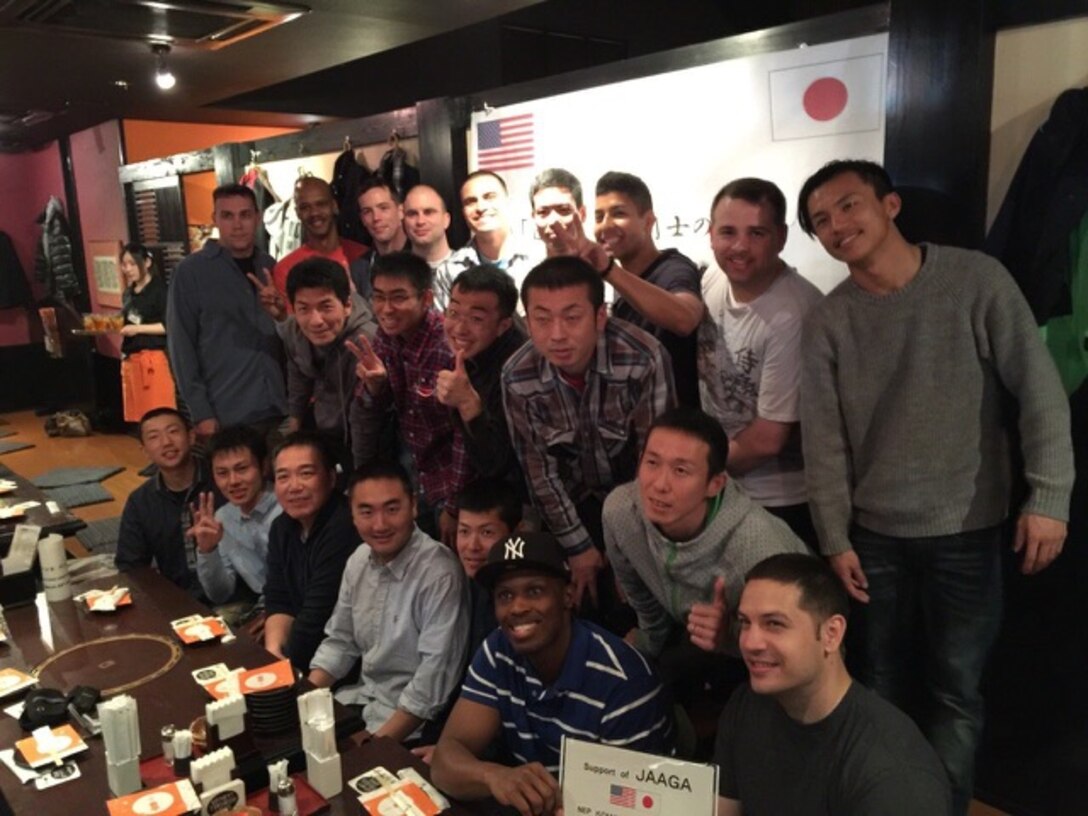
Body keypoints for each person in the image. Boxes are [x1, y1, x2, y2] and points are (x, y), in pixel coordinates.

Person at [797, 159, 1074, 814]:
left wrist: (1050, 498)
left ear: (889, 205)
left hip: (969, 530)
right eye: (820, 221)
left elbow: (1039, 393)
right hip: (873, 538)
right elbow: (824, 440)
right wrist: (834, 536)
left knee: (956, 692)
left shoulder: (974, 280)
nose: (837, 226)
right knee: (880, 683)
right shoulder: (830, 320)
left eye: (847, 206)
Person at [431, 532, 674, 816]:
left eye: (534, 591)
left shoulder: (623, 682)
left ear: (568, 596)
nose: (518, 607)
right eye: (505, 595)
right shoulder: (498, 649)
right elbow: (445, 759)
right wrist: (495, 776)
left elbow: (633, 805)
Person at [715, 553, 952, 816]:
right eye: (745, 622)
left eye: (774, 624)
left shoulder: (893, 776)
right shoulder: (747, 705)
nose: (750, 642)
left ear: (832, 634)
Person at [502, 256, 675, 611]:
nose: (557, 334)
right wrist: (578, 547)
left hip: (636, 503)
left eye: (572, 317)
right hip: (571, 506)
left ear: (600, 316)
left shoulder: (643, 358)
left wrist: (634, 552)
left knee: (640, 603)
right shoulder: (518, 376)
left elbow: (656, 462)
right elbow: (540, 474)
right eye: (542, 319)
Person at [603, 407, 808, 660]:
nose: (659, 485)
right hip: (687, 637)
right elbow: (641, 598)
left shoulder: (760, 546)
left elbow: (804, 646)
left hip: (756, 657)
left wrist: (731, 635)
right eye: (652, 462)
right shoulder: (621, 512)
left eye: (681, 470)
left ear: (715, 484)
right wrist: (649, 642)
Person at [697, 177, 822, 546]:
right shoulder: (712, 279)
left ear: (781, 237)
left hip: (780, 500)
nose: (739, 247)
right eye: (728, 232)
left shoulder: (794, 312)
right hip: (722, 485)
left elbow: (767, 440)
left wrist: (693, 469)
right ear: (710, 233)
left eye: (757, 233)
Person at [308, 461, 468, 742]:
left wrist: (375, 747)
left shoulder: (440, 572)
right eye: (366, 512)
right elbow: (340, 642)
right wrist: (301, 702)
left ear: (414, 506)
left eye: (392, 509)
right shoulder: (358, 560)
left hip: (410, 729)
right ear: (353, 515)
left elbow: (432, 684)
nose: (379, 524)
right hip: (359, 703)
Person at [348, 252, 472, 544]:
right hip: (407, 473)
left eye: (398, 297)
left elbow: (463, 434)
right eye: (378, 297)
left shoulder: (447, 346)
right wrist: (375, 388)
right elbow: (367, 413)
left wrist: (453, 506)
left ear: (426, 298)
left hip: (449, 480)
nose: (386, 308)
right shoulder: (383, 338)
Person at [166, 183, 286, 442]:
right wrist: (201, 412)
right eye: (227, 216)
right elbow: (181, 347)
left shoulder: (269, 266)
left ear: (257, 217)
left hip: (277, 406)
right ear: (215, 220)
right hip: (226, 411)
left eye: (245, 215)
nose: (238, 224)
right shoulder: (190, 272)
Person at [594, 171, 703, 407]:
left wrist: (609, 270)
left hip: (678, 426)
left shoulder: (674, 268)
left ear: (648, 221)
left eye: (618, 213)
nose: (606, 225)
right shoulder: (620, 277)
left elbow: (685, 318)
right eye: (599, 216)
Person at [263, 431, 359, 674]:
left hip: (342, 660)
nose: (294, 486)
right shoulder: (281, 527)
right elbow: (278, 598)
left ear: (330, 478)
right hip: (300, 651)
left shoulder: (345, 525)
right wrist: (273, 652)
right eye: (283, 476)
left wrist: (283, 668)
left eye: (306, 473)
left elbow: (318, 615)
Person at [436, 264, 528, 501]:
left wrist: (468, 404)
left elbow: (498, 464)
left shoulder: (519, 369)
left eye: (476, 318)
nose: (459, 328)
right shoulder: (468, 352)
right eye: (453, 312)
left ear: (503, 325)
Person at [115, 408, 217, 596]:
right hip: (175, 599)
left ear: (191, 437)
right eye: (154, 437)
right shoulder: (140, 501)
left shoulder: (220, 480)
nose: (166, 442)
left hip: (231, 594)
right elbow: (131, 566)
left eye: (173, 431)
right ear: (144, 450)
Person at [281, 257, 377, 454]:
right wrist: (293, 428)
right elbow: (298, 377)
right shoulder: (294, 330)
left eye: (326, 307)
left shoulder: (366, 341)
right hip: (323, 426)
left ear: (347, 305)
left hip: (366, 435)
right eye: (303, 309)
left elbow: (366, 418)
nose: (316, 321)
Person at [190, 425, 282, 614]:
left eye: (241, 469)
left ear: (264, 466)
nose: (233, 481)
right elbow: (220, 594)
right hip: (261, 607)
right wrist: (208, 551)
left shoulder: (287, 508)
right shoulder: (223, 517)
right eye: (222, 473)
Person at [270, 176, 370, 303]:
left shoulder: (363, 256)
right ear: (297, 213)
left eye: (321, 204)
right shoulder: (285, 269)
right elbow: (290, 321)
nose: (314, 213)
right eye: (305, 207)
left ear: (334, 206)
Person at [454, 478, 523, 656]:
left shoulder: (522, 599)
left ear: (516, 533)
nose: (472, 546)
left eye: (487, 532)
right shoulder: (456, 584)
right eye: (464, 531)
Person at [452, 171, 539, 297]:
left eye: (489, 197)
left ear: (508, 201)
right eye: (470, 201)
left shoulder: (538, 257)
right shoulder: (450, 269)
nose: (481, 207)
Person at [118, 242, 176, 423]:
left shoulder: (161, 291)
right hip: (131, 358)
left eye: (132, 264)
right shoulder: (128, 293)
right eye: (124, 264)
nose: (127, 269)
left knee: (160, 415)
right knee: (140, 419)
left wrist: (137, 329)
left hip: (154, 359)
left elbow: (169, 326)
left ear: (147, 262)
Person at [404, 184, 473, 310]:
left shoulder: (469, 269)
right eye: (412, 214)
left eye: (429, 212)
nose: (420, 221)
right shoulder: (395, 275)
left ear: (446, 220)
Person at [350, 177, 409, 295]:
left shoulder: (423, 256)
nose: (376, 218)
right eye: (367, 211)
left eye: (383, 208)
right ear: (362, 220)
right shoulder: (360, 269)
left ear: (400, 211)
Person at [529, 168, 585, 258]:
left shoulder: (604, 267)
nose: (553, 221)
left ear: (582, 214)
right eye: (543, 212)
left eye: (564, 210)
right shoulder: (525, 271)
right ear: (534, 217)